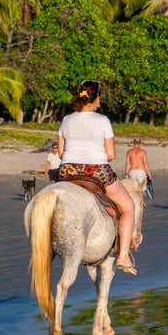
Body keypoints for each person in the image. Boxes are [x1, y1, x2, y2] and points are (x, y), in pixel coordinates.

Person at [57, 80, 137, 275]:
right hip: (96, 171)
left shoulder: (66, 120)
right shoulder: (102, 121)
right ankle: (124, 256)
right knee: (128, 208)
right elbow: (110, 155)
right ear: (96, 98)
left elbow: (60, 153)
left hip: (67, 171)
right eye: (100, 96)